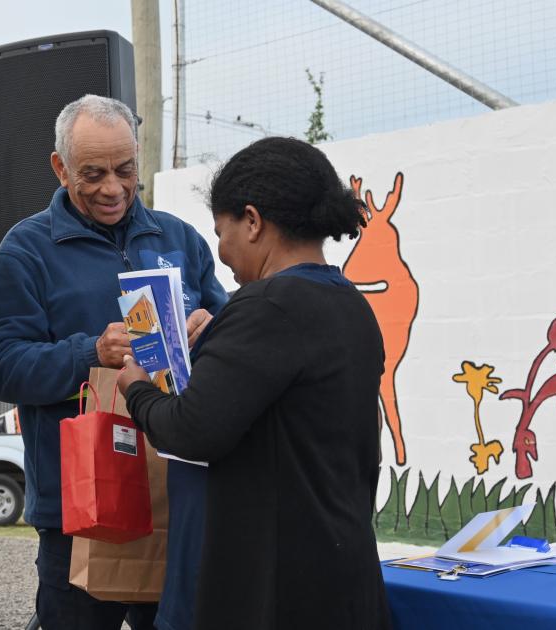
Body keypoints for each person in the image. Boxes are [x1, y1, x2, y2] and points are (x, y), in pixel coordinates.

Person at [118, 136, 392, 630]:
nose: (221, 253)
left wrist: (137, 388)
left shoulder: (268, 306)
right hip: (342, 569)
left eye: (221, 232)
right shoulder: (350, 304)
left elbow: (192, 429)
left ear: (252, 220)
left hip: (277, 586)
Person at [0, 94, 228, 630]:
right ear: (59, 167)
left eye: (125, 169)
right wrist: (91, 352)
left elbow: (234, 335)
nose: (112, 188)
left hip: (175, 490)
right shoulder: (27, 249)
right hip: (79, 504)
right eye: (91, 174)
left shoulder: (179, 238)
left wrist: (213, 329)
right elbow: (1, 367)